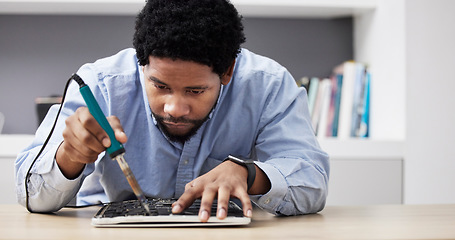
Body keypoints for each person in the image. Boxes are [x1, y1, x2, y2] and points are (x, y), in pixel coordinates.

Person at [15, 0, 329, 222]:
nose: (174, 108)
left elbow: (312, 182)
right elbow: (31, 197)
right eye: (160, 85)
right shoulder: (100, 84)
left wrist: (249, 175)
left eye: (195, 91)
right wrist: (69, 155)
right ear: (141, 64)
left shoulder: (268, 85)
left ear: (228, 71)